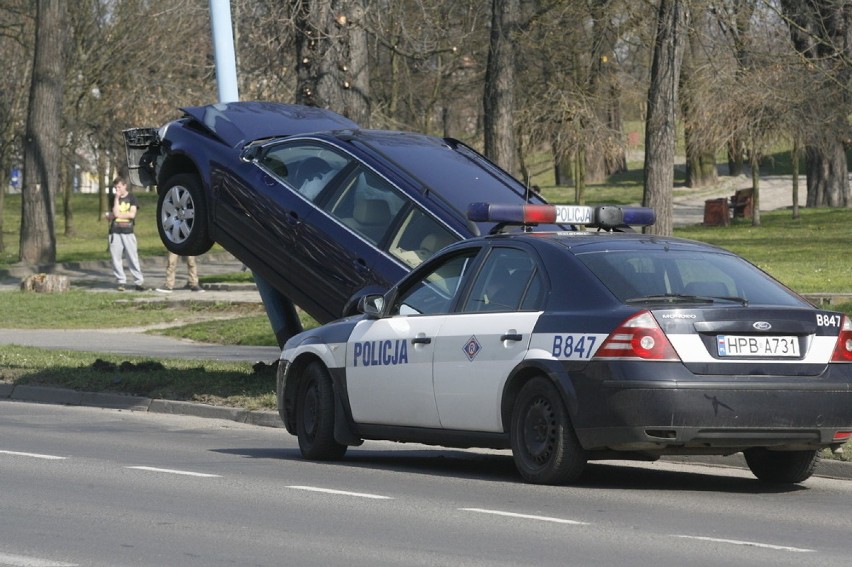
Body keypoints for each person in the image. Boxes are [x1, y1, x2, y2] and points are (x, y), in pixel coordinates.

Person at [106, 176, 145, 291]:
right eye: (115, 187)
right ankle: (121, 281)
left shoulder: (132, 198)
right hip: (115, 232)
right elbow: (113, 212)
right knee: (116, 258)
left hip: (128, 231)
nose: (117, 189)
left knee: (132, 258)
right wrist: (117, 199)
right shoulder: (113, 198)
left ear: (124, 186)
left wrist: (117, 215)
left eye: (119, 187)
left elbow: (131, 215)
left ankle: (139, 282)